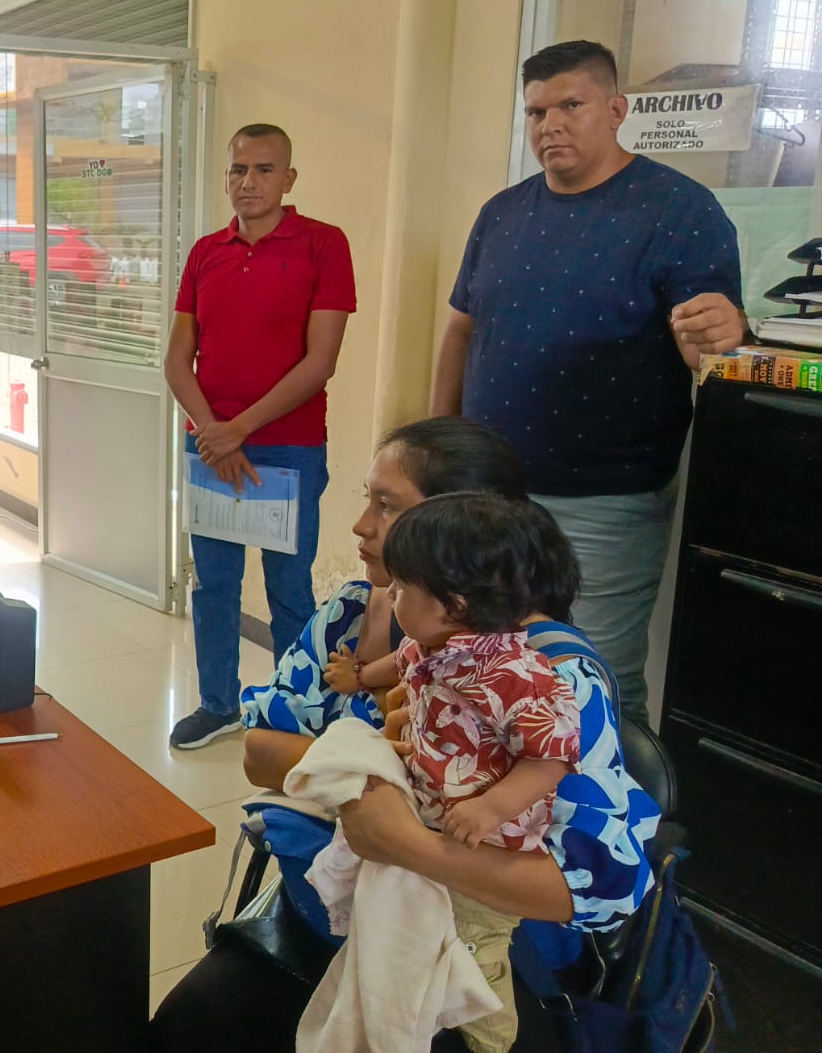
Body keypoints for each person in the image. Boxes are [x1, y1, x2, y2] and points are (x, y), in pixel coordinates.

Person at [152, 417, 660, 1050]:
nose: (360, 526)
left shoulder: (544, 677)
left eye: (387, 506)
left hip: (469, 934)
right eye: (368, 499)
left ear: (465, 534)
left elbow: (604, 885)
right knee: (187, 1025)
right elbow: (259, 751)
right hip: (341, 898)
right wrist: (383, 773)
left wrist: (405, 838)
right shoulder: (355, 610)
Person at [432, 39, 744, 724]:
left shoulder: (678, 210)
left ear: (616, 110)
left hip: (607, 501)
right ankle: (507, 796)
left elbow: (709, 346)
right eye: (537, 112)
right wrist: (441, 454)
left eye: (570, 105)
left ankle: (617, 794)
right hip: (489, 494)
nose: (551, 125)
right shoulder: (502, 214)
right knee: (484, 665)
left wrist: (726, 332)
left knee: (592, 677)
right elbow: (460, 331)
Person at [340, 493, 582, 1053]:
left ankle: (490, 1042)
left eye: (403, 589)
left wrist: (490, 808)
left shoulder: (515, 674)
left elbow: (552, 755)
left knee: (473, 956)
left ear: (452, 604)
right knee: (419, 939)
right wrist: (364, 682)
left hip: (483, 845)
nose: (392, 595)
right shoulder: (433, 646)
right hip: (432, 825)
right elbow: (400, 668)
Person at [163, 122, 357, 750]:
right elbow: (177, 360)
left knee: (289, 589)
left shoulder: (324, 244)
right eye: (238, 170)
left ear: (288, 178)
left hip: (287, 450)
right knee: (214, 584)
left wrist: (236, 431)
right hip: (210, 448)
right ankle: (219, 704)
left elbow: (320, 362)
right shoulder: (205, 252)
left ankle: (293, 711)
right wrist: (211, 434)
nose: (249, 182)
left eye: (264, 169)